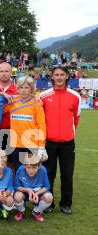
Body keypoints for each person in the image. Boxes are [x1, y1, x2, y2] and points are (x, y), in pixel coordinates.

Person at [39, 66, 81, 214]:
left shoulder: (75, 96)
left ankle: (66, 203)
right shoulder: (43, 96)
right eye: (56, 74)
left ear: (67, 76)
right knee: (48, 174)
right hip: (48, 142)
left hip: (67, 143)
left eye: (62, 74)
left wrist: (68, 134)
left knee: (67, 174)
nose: (59, 77)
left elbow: (76, 119)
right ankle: (48, 203)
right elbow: (40, 119)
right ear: (52, 77)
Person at [3, 76, 47, 171]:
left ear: (31, 89)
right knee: (19, 171)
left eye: (26, 88)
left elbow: (41, 125)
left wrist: (42, 146)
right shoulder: (11, 102)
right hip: (16, 144)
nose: (23, 90)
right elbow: (0, 110)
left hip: (31, 144)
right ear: (17, 89)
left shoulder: (36, 104)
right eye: (21, 88)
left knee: (32, 171)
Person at [13, 153, 53, 222]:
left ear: (39, 166)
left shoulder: (43, 170)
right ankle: (21, 211)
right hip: (25, 192)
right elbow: (16, 186)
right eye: (28, 167)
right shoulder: (20, 169)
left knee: (49, 197)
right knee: (17, 196)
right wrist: (27, 190)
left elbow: (47, 186)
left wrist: (37, 193)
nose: (31, 170)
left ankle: (36, 212)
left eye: (34, 167)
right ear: (24, 166)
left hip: (38, 192)